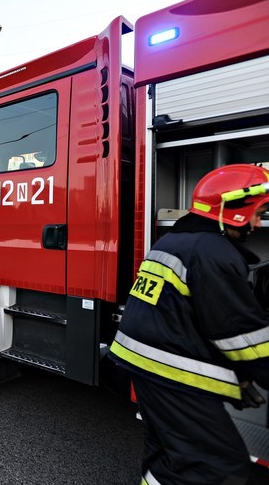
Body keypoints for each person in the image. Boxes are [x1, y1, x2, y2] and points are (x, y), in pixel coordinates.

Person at [109, 164, 269, 484]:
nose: (257, 223)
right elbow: (241, 336)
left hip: (147, 366)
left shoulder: (175, 241)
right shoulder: (213, 253)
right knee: (217, 465)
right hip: (171, 373)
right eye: (257, 212)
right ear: (233, 209)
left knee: (170, 455)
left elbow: (188, 320)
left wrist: (237, 377)